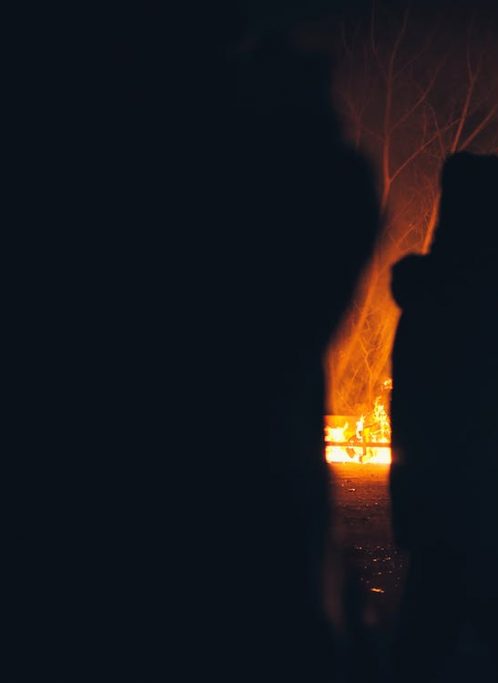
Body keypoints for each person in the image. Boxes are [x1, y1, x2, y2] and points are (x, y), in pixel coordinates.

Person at [7, 6, 380, 680]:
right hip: (224, 577)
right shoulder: (204, 200)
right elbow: (326, 233)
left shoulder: (89, 176)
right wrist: (293, 112)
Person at [388, 152, 498, 681]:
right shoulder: (460, 312)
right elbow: (458, 432)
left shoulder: (459, 302)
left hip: (455, 524)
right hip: (472, 525)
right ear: (488, 234)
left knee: (423, 647)